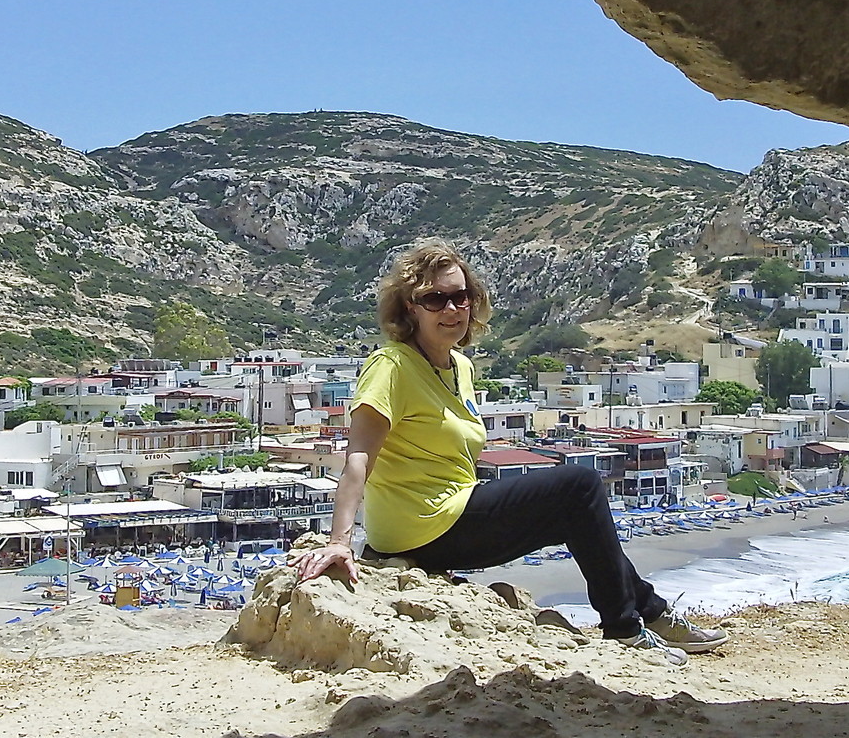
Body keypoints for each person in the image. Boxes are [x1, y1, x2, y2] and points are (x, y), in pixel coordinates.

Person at [292, 239, 725, 664]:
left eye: (460, 296)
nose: (451, 309)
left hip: (454, 513)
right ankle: (625, 630)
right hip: (420, 528)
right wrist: (340, 541)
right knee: (581, 484)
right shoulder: (391, 365)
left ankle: (652, 614)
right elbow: (359, 456)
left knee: (578, 510)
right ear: (409, 307)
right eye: (434, 299)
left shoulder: (459, 366)